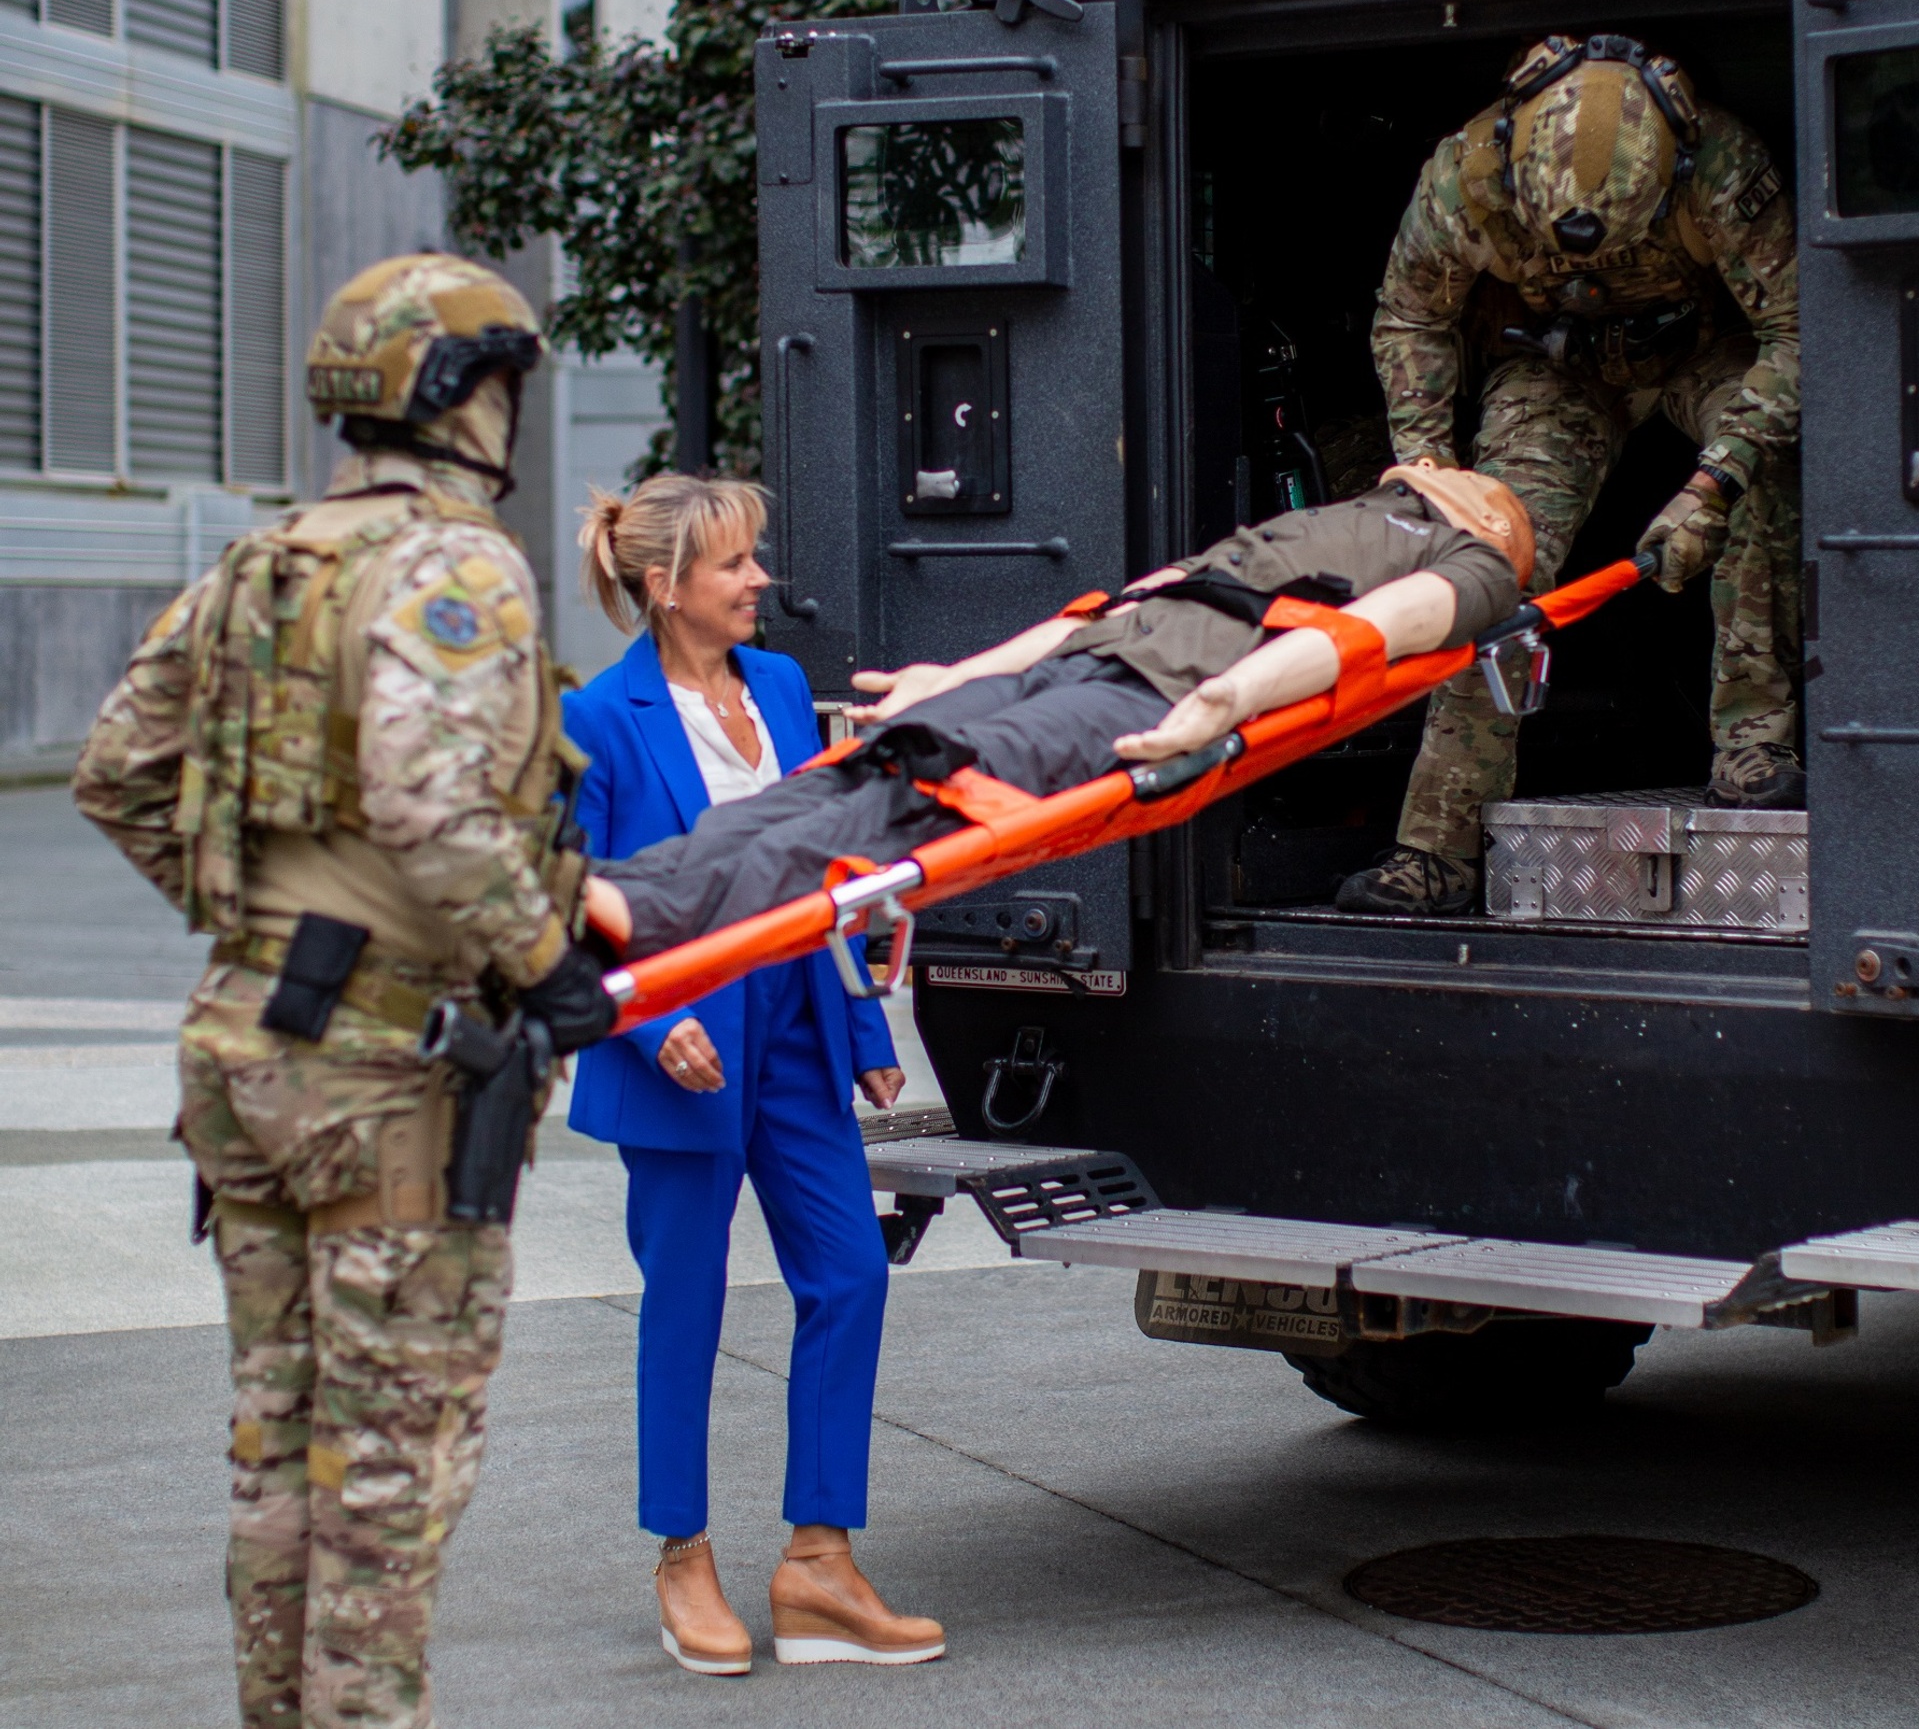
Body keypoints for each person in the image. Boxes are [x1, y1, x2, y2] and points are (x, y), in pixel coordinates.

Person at [72, 254, 620, 1729]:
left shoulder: (267, 561)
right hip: (382, 1079)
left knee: (281, 1450)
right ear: (455, 393)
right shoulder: (456, 561)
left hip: (244, 1055)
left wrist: (265, 925)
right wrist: (547, 963)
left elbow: (117, 769)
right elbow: (434, 802)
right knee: (388, 1473)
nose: (511, 411)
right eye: (502, 381)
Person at [589, 465, 1534, 961]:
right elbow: (1120, 603)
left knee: (906, 801)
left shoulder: (1478, 563)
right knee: (861, 770)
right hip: (1090, 662)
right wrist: (951, 677)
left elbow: (1364, 638)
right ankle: (622, 889)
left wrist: (1224, 702)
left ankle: (654, 906)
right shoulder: (1354, 511)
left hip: (1142, 697)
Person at [561, 473, 944, 1673]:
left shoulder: (779, 687)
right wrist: (642, 1020)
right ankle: (683, 1557)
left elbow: (828, 868)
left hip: (797, 1027)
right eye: (735, 565)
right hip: (680, 1041)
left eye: (757, 559)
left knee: (848, 1276)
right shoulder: (598, 717)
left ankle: (820, 1564)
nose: (759, 581)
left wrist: (871, 1030)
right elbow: (562, 898)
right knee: (689, 1302)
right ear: (667, 586)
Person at [1335, 31, 1803, 917]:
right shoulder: (1468, 178)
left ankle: (1754, 744)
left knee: (1758, 485)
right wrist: (1430, 472)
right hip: (1560, 368)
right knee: (1489, 561)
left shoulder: (1723, 167)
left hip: (1707, 349)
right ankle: (1436, 849)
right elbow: (1409, 318)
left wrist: (1714, 483)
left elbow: (1795, 329)